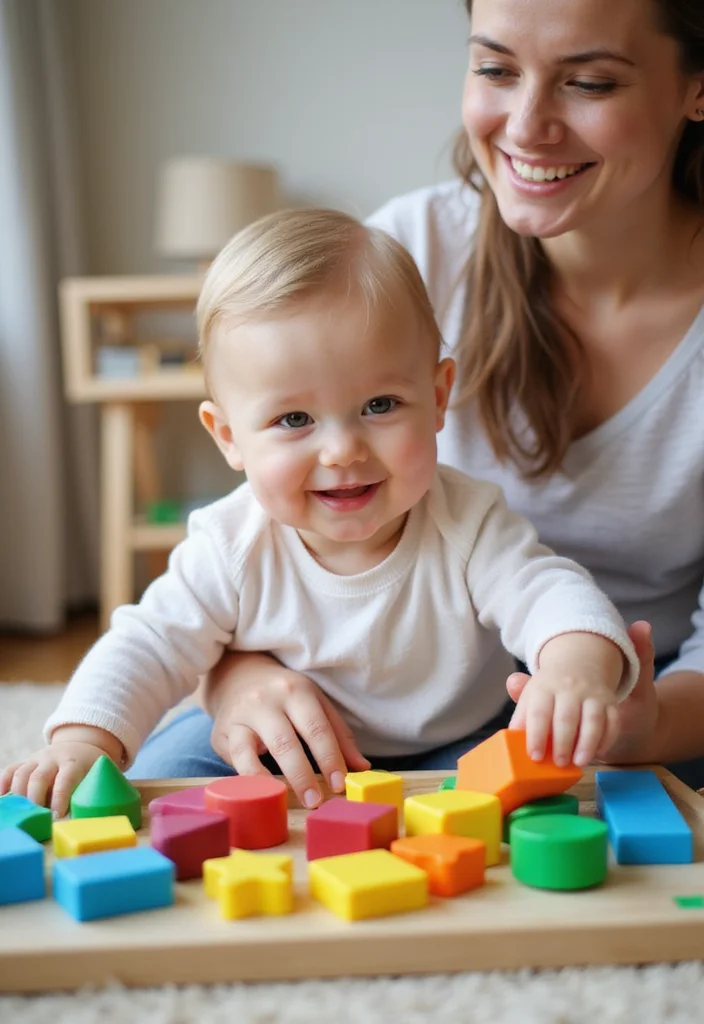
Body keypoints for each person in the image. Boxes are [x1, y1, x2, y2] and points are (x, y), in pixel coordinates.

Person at [109, 0, 704, 807]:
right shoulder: (401, 256)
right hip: (343, 695)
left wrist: (628, 710)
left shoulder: (473, 524)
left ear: (695, 87)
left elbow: (542, 590)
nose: (526, 127)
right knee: (175, 787)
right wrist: (235, 674)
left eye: (590, 82)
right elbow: (189, 608)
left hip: (612, 702)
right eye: (494, 68)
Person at [0, 207, 641, 817]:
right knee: (164, 777)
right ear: (229, 437)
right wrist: (83, 740)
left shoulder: (467, 522)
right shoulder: (230, 543)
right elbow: (149, 644)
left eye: (380, 405)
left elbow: (549, 592)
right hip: (280, 743)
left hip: (457, 741)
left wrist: (575, 669)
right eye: (294, 419)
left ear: (438, 396)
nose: (342, 450)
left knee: (540, 794)